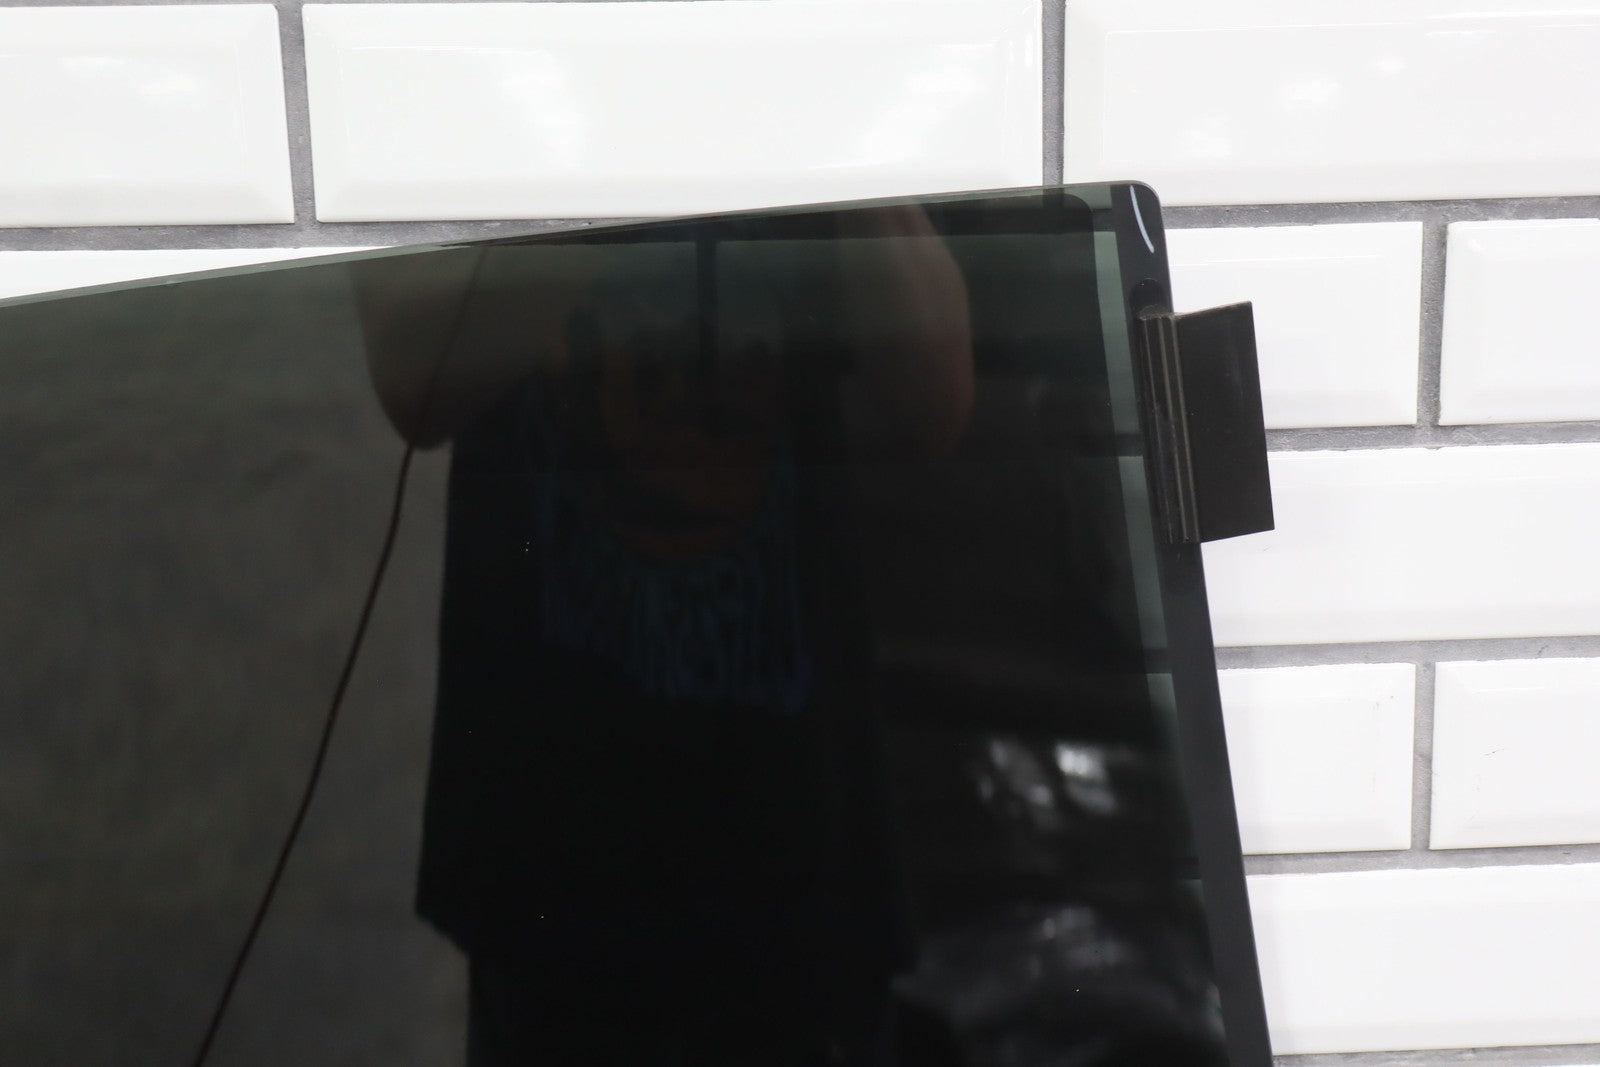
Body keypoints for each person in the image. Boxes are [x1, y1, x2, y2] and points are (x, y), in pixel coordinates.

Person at [355, 206, 975, 1065]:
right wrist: (627, 161)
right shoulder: (461, 121)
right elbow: (411, 380)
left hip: (791, 843)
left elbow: (939, 398)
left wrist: (847, 160)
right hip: (554, 846)